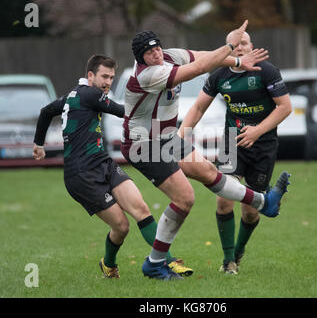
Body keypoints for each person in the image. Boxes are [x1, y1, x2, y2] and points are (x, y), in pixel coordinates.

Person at [121, 20, 291, 280]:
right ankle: (154, 264)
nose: (156, 54)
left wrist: (233, 60)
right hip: (144, 144)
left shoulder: (168, 56)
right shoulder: (147, 75)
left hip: (165, 137)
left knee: (208, 172)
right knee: (185, 198)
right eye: (148, 52)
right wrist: (232, 50)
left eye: (157, 49)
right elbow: (199, 68)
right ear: (140, 59)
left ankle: (264, 202)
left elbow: (201, 56)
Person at [33, 54, 193, 279]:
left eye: (111, 77)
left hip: (102, 162)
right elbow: (124, 112)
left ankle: (168, 261)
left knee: (142, 209)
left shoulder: (74, 95)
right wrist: (156, 103)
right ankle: (108, 264)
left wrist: (38, 143)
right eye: (104, 77)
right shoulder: (91, 94)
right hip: (81, 175)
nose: (108, 82)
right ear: (90, 76)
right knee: (121, 227)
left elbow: (46, 111)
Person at [178, 30, 292, 274]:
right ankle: (228, 261)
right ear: (228, 48)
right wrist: (177, 139)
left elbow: (285, 108)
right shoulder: (219, 74)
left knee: (251, 212)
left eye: (244, 43)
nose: (240, 48)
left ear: (252, 46)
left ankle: (239, 252)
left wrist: (257, 131)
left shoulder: (267, 71)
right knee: (223, 200)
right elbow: (198, 108)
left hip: (263, 145)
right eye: (235, 44)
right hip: (232, 142)